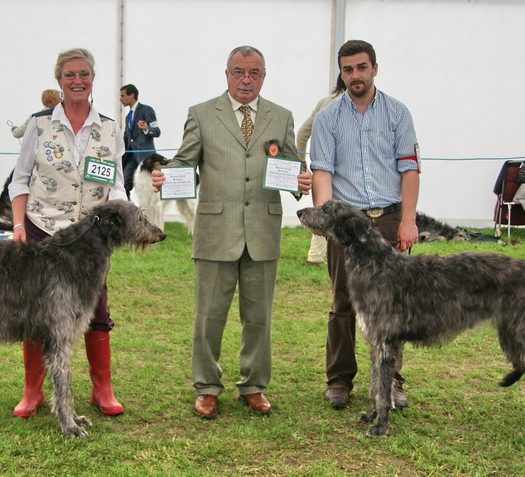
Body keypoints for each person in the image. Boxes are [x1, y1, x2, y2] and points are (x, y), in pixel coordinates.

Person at [152, 45, 312, 419]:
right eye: (239, 71)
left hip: (263, 230)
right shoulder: (202, 114)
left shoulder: (282, 116)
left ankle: (254, 386)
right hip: (214, 230)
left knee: (259, 317)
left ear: (263, 77)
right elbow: (185, 161)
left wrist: (299, 181)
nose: (245, 79)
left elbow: (288, 164)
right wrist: (166, 175)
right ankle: (207, 387)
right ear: (226, 74)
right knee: (209, 317)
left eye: (253, 73)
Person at [8, 48, 127, 417]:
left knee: (96, 311)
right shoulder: (39, 126)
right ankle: (33, 391)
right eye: (70, 75)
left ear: (93, 78)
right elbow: (20, 179)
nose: (78, 80)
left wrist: (121, 218)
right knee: (36, 312)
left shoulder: (109, 128)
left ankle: (102, 389)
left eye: (84, 74)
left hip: (91, 239)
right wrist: (17, 225)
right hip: (42, 230)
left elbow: (117, 186)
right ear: (59, 81)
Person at [310, 40, 420, 409]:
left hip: (388, 220)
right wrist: (325, 220)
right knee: (343, 302)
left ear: (374, 68)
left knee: (393, 307)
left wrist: (407, 220)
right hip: (347, 225)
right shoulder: (328, 118)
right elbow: (322, 172)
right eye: (347, 69)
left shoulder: (398, 113)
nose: (354, 75)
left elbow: (409, 169)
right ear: (340, 73)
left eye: (360, 67)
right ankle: (339, 380)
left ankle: (392, 381)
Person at [296, 75, 346, 265]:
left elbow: (301, 134)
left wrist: (303, 165)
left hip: (322, 168)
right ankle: (319, 256)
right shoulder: (350, 105)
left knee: (323, 210)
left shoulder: (324, 102)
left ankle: (316, 256)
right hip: (341, 173)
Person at [120, 84, 160, 198]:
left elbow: (156, 131)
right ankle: (125, 210)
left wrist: (146, 129)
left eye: (123, 96)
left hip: (145, 157)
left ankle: (150, 212)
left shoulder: (146, 110)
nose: (120, 99)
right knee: (124, 184)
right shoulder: (128, 117)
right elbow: (126, 138)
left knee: (148, 187)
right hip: (130, 157)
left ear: (132, 95)